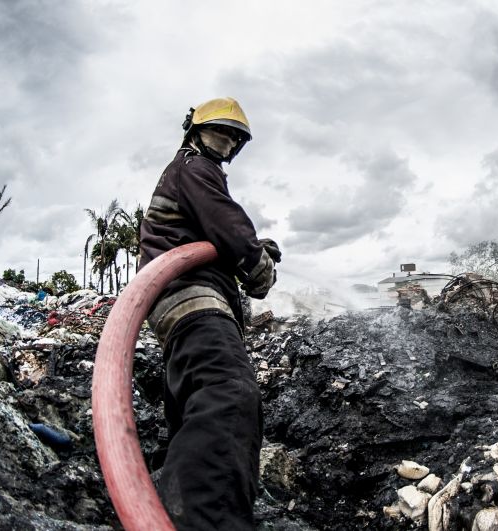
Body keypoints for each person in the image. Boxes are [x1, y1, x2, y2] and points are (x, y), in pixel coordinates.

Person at [138, 97, 280, 529]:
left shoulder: (190, 172)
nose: (229, 140)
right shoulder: (195, 167)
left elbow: (215, 233)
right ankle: (203, 520)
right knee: (228, 393)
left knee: (193, 405)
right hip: (192, 297)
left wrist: (250, 252)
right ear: (195, 131)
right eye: (221, 130)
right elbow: (229, 225)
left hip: (182, 303)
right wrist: (257, 267)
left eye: (235, 136)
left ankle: (163, 504)